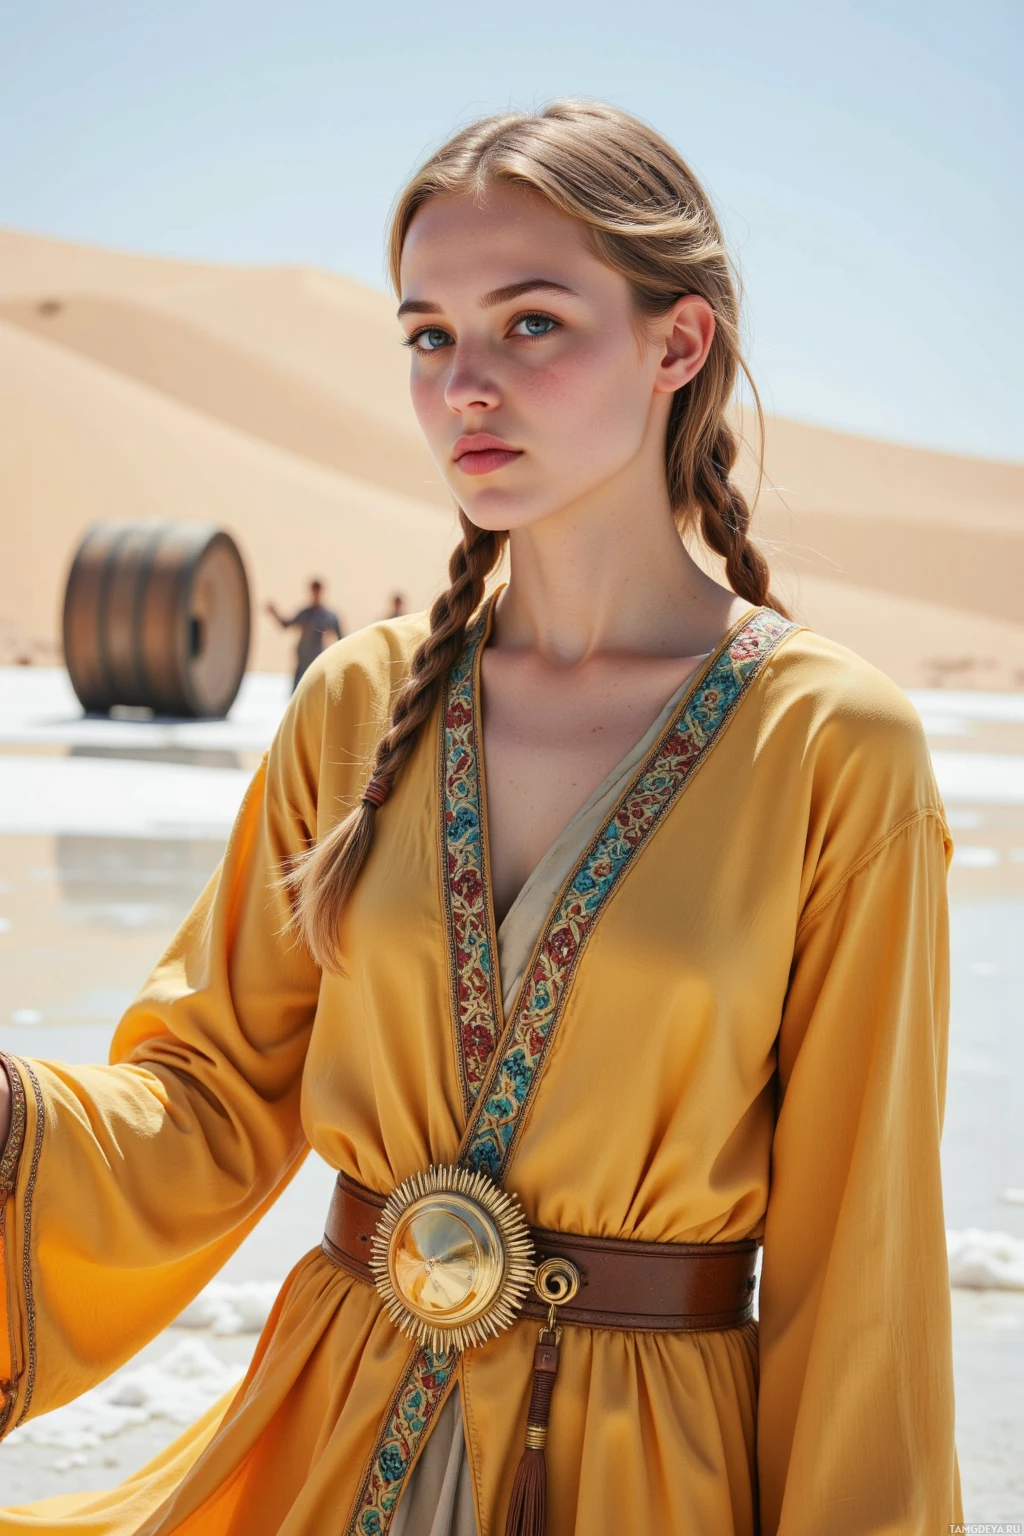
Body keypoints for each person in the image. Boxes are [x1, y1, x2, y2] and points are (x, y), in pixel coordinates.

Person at [0, 101, 961, 1534]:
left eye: (531, 325)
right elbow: (202, 1102)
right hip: (325, 1445)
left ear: (677, 345)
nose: (466, 385)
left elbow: (859, 1268)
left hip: (645, 1473)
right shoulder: (356, 701)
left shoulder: (835, 747)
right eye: (428, 335)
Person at [264, 578, 342, 690]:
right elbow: (285, 625)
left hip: (318, 660)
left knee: (317, 691)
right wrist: (274, 613)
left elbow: (341, 639)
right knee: (297, 691)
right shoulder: (305, 614)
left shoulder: (329, 616)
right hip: (303, 659)